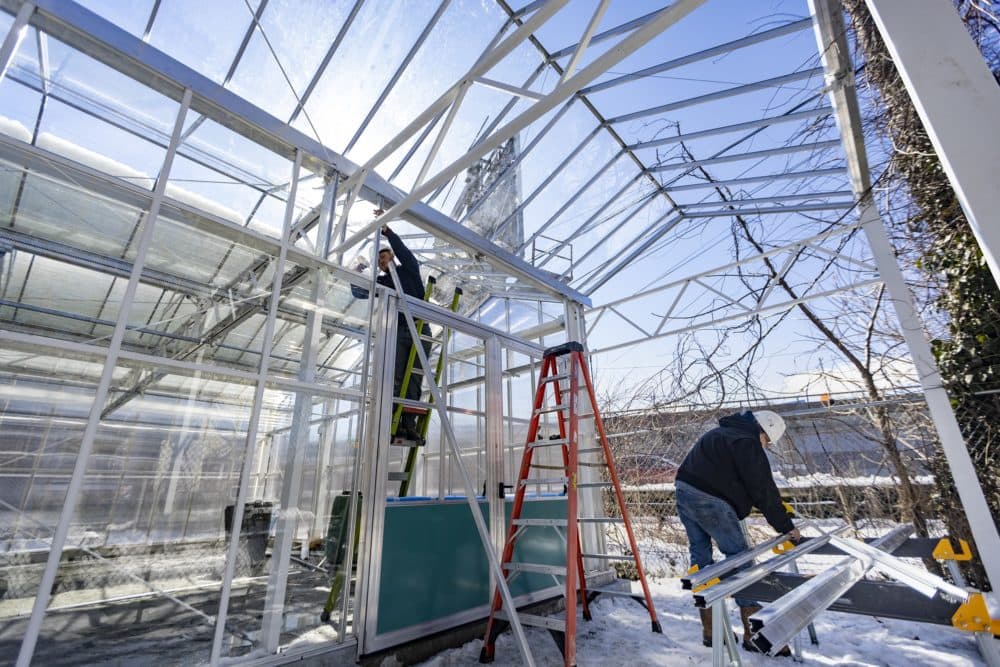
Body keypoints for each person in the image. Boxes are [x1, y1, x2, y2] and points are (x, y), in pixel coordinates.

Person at [675, 410, 799, 655]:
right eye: (768, 441)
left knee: (701, 560)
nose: (767, 446)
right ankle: (754, 634)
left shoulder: (720, 434)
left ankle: (711, 630)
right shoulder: (747, 442)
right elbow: (762, 488)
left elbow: (731, 479)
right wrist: (786, 526)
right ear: (763, 431)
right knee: (741, 560)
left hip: (683, 492)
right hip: (710, 501)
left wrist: (771, 507)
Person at [351, 217, 431, 443]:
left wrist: (388, 233)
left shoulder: (410, 271)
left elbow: (404, 253)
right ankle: (395, 422)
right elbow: (359, 291)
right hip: (398, 331)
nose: (382, 262)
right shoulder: (383, 283)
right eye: (379, 261)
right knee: (395, 376)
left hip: (420, 328)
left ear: (392, 258)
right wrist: (357, 268)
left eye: (385, 257)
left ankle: (409, 423)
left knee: (414, 377)